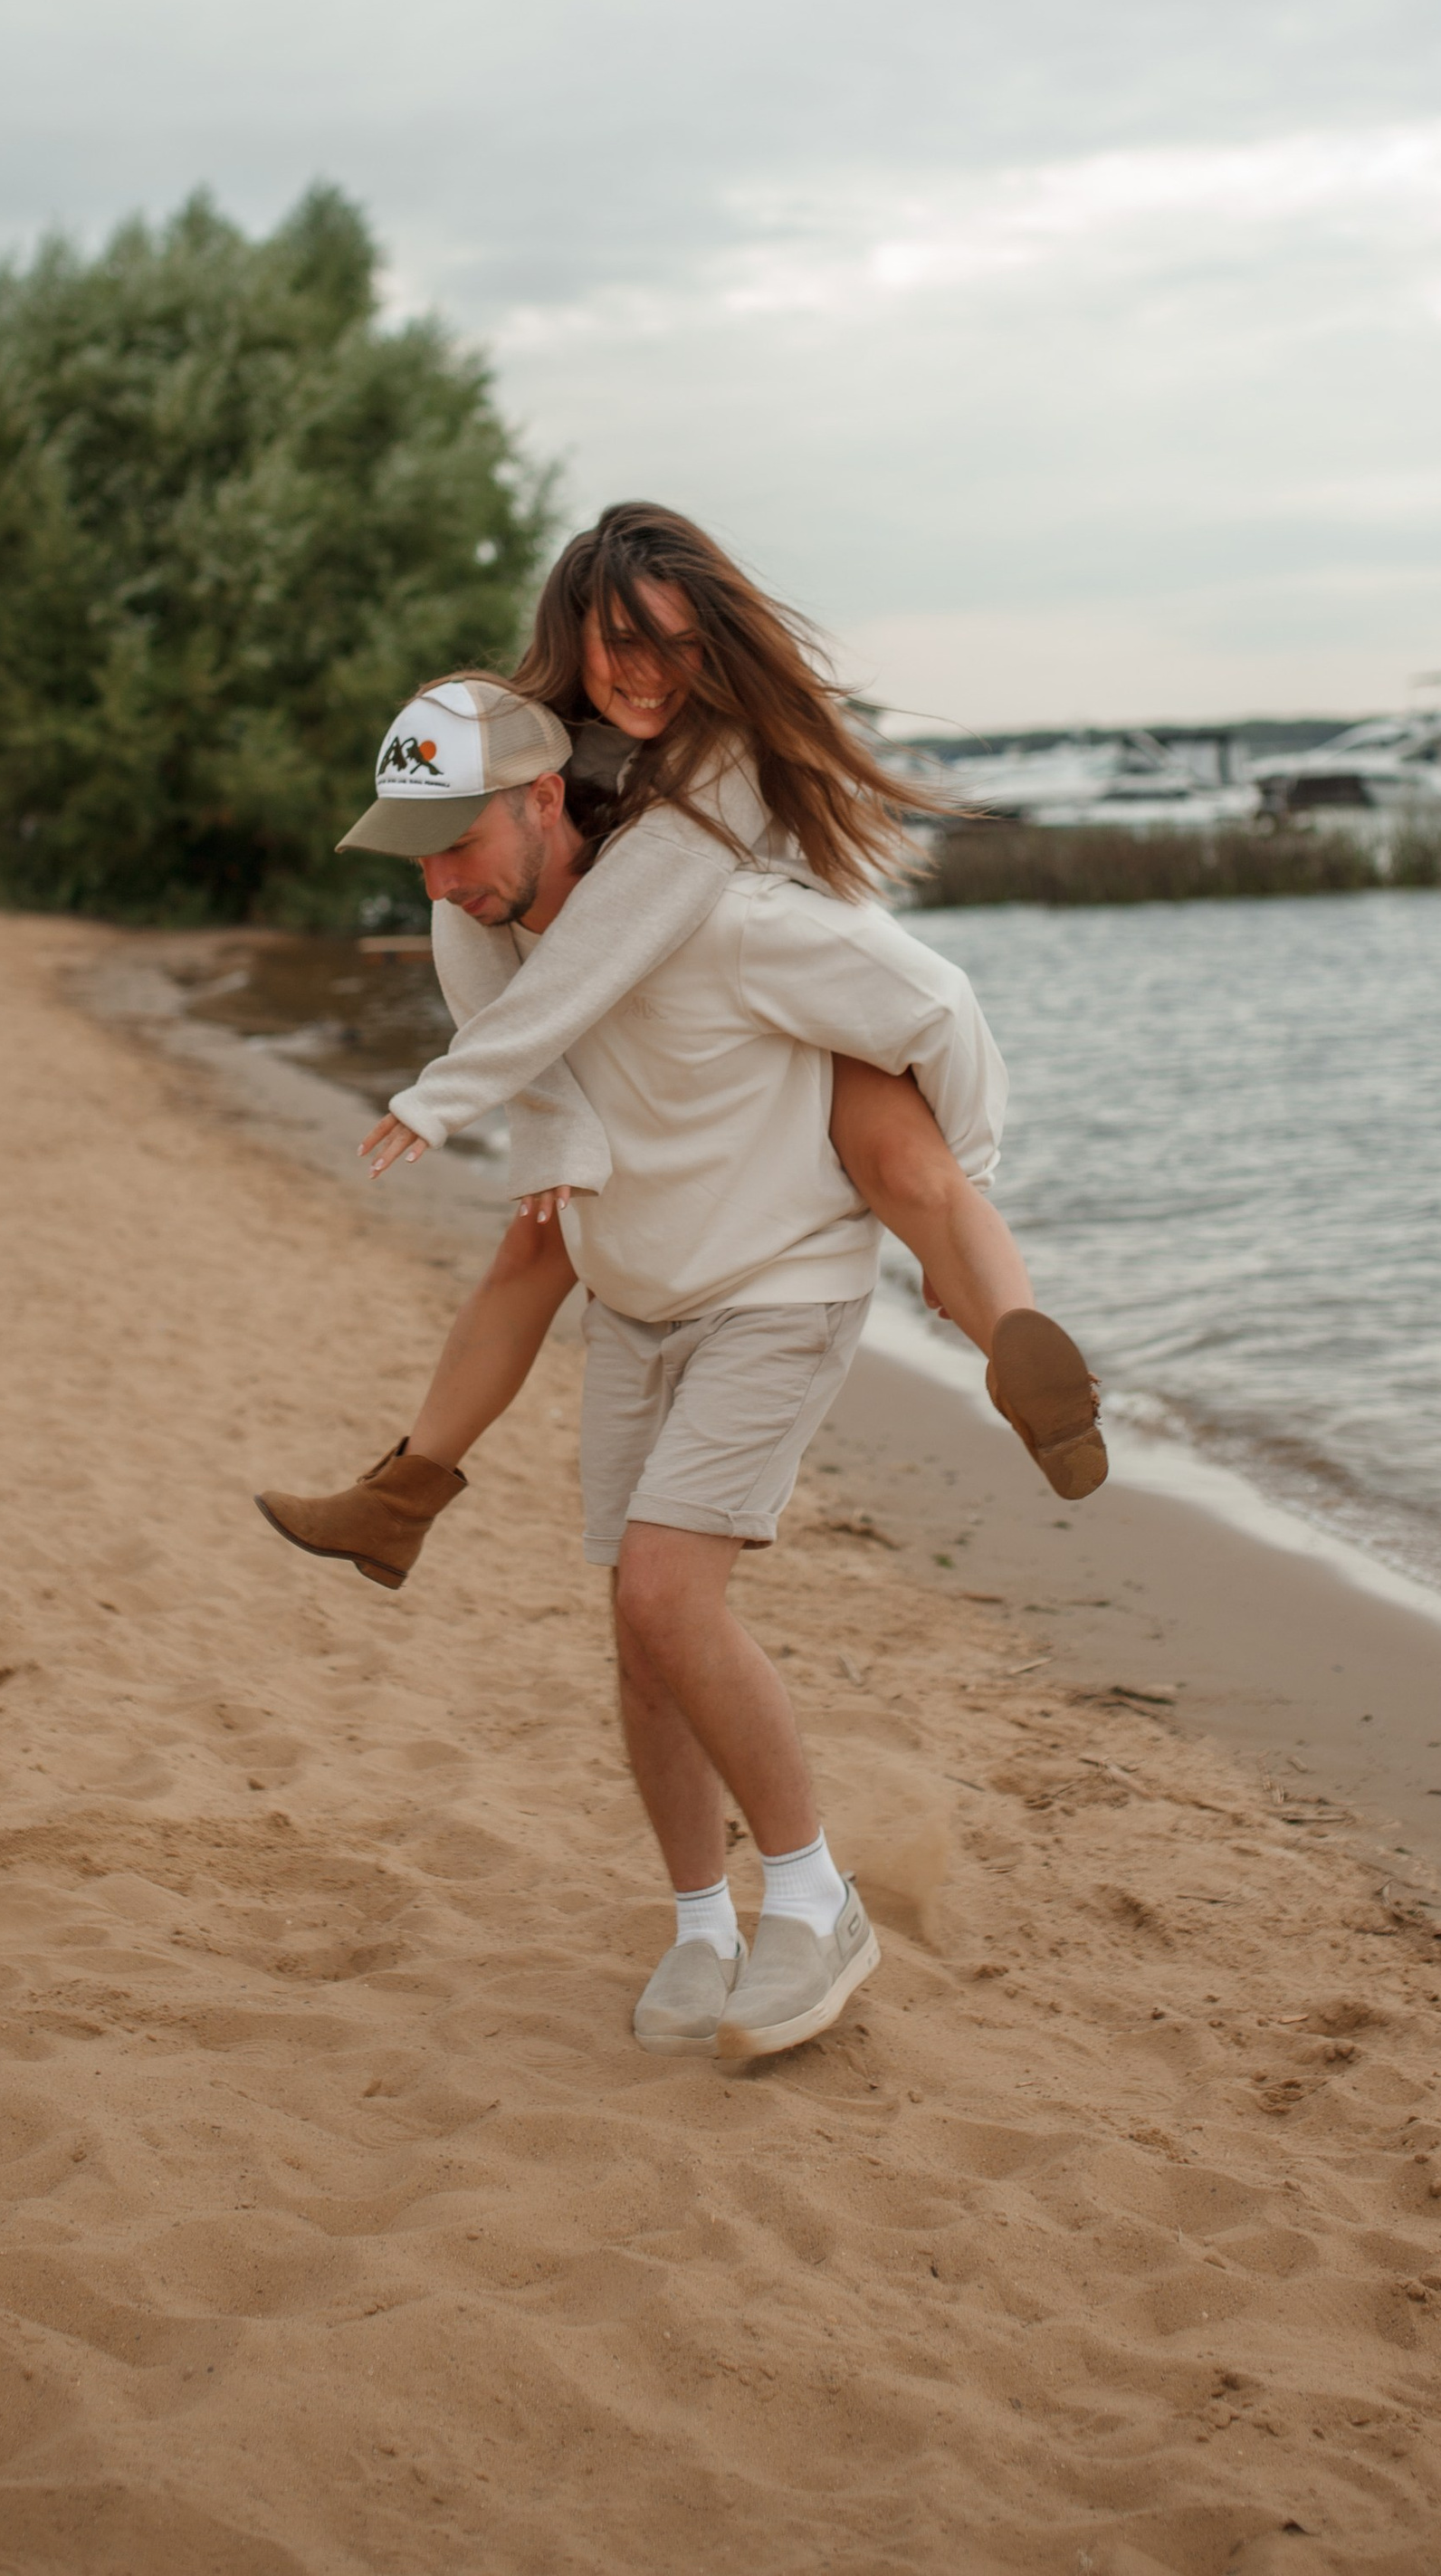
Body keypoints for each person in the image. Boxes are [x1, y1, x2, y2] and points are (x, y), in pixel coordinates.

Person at [253, 641, 1092, 2064]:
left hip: (776, 1291)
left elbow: (935, 1003)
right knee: (642, 1631)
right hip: (634, 1304)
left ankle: (814, 1903)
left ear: (544, 801)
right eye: (415, 856)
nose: (439, 884)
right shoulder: (500, 955)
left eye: (456, 844)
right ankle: (704, 1924)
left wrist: (948, 1178)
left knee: (666, 1589)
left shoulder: (731, 920)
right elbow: (538, 1199)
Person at [341, 503, 1105, 1508]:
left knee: (921, 1175)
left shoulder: (718, 761)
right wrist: (545, 1114)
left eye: (681, 646)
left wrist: (450, 1096)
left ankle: (1019, 1354)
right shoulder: (527, 753)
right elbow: (476, 924)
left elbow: (614, 926)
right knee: (906, 1180)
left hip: (797, 980)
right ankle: (1006, 1335)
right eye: (623, 644)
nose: (653, 674)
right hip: (753, 990)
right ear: (569, 636)